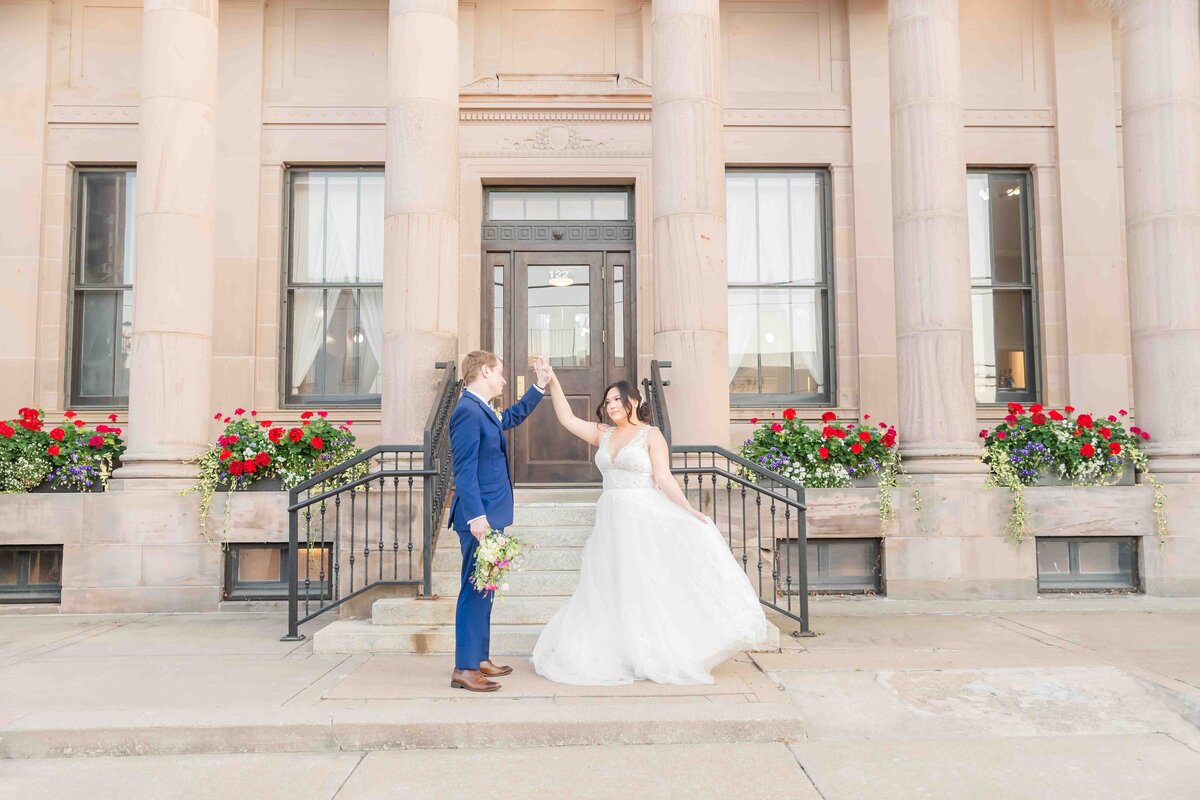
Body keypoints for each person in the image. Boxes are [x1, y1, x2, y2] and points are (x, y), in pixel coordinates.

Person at [530, 372, 771, 685]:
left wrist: (688, 510)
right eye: (608, 401)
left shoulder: (651, 435)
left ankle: (654, 649)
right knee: (611, 582)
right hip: (611, 518)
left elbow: (664, 478)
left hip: (641, 515)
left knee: (643, 581)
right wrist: (552, 382)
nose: (612, 404)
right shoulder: (602, 434)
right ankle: (622, 650)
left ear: (633, 402)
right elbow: (566, 418)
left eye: (618, 399)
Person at [447, 350, 551, 692]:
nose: (504, 379)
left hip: (492, 512)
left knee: (486, 587)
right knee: (474, 590)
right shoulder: (466, 411)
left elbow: (512, 417)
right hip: (480, 516)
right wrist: (476, 516)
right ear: (485, 371)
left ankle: (479, 658)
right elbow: (463, 468)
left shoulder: (482, 409)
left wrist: (539, 385)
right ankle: (464, 668)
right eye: (500, 373)